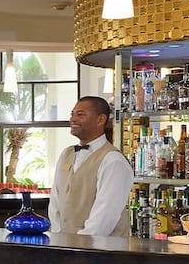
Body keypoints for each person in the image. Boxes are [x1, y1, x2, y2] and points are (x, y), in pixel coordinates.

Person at [47, 95, 135, 237]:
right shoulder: (66, 154)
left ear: (100, 119)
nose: (73, 119)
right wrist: (59, 238)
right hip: (65, 245)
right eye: (72, 114)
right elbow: (55, 202)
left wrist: (81, 244)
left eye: (80, 114)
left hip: (101, 248)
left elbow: (105, 216)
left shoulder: (113, 160)